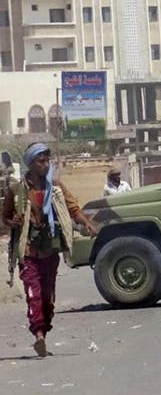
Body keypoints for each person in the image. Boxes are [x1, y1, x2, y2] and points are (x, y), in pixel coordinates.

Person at [2, 143, 96, 357]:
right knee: (33, 295)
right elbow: (5, 217)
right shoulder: (16, 190)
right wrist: (13, 221)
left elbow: (73, 209)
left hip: (50, 251)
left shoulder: (55, 188)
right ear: (31, 164)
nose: (45, 165)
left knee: (48, 298)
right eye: (40, 161)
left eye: (47, 160)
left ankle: (43, 330)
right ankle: (39, 336)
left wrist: (86, 223)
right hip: (28, 252)